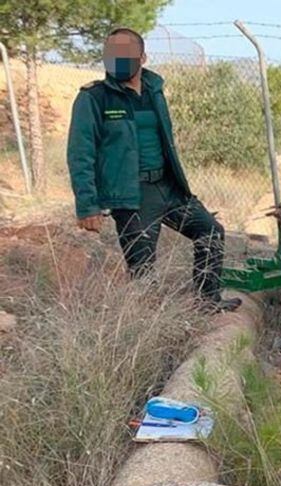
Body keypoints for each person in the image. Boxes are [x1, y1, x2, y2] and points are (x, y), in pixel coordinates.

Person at [66, 28, 239, 312]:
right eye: (113, 55)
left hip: (169, 187)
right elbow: (80, 153)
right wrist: (87, 205)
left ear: (142, 57)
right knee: (143, 268)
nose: (118, 61)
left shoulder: (155, 90)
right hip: (131, 194)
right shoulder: (94, 98)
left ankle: (207, 301)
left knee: (211, 232)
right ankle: (147, 329)